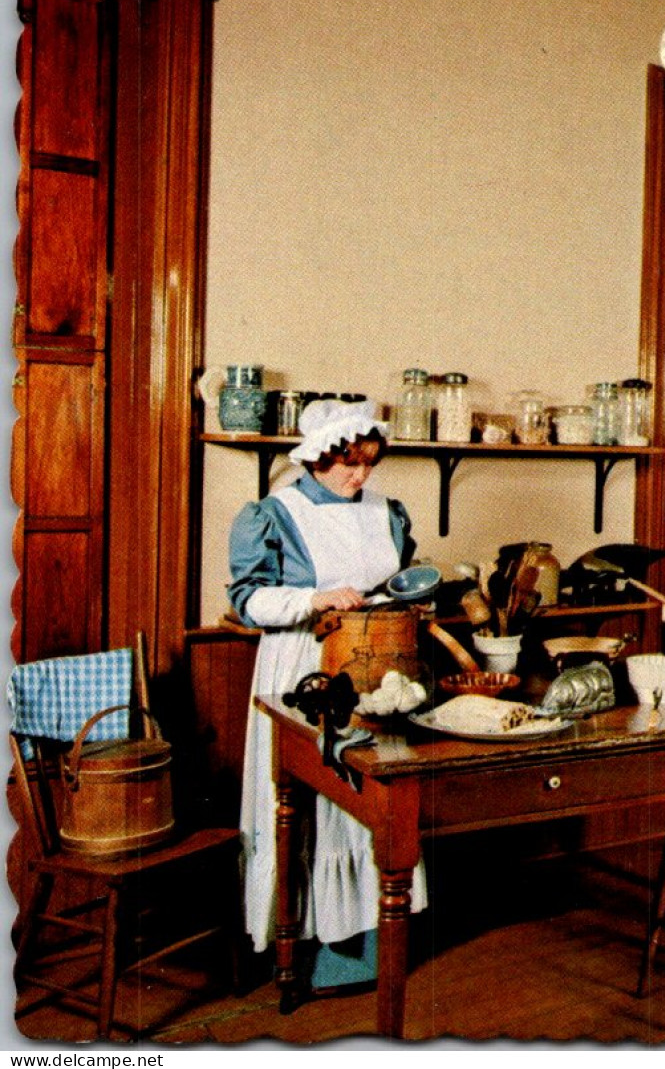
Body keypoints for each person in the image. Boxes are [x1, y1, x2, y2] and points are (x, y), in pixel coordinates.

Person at [228, 397, 428, 990]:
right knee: (306, 801)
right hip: (302, 664)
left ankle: (369, 939)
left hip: (376, 665)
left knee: (370, 801)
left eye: (368, 463)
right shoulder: (274, 514)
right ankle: (302, 942)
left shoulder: (386, 511)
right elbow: (248, 600)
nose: (360, 476)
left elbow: (395, 580)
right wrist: (314, 599)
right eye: (349, 465)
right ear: (316, 459)